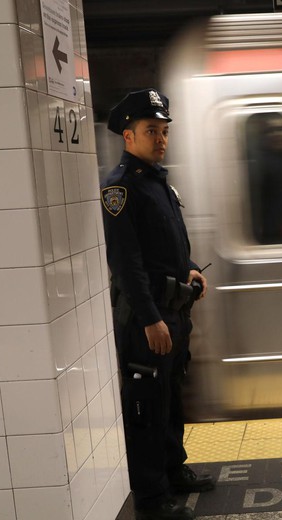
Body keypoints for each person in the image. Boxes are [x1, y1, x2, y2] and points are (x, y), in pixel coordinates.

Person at [101, 88, 213, 520]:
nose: (161, 138)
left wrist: (188, 268)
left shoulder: (157, 183)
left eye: (164, 130)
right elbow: (127, 264)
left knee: (170, 396)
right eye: (152, 130)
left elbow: (166, 245)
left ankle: (173, 469)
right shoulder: (121, 189)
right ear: (128, 136)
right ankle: (151, 498)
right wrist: (150, 320)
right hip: (148, 319)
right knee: (146, 406)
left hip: (173, 311)